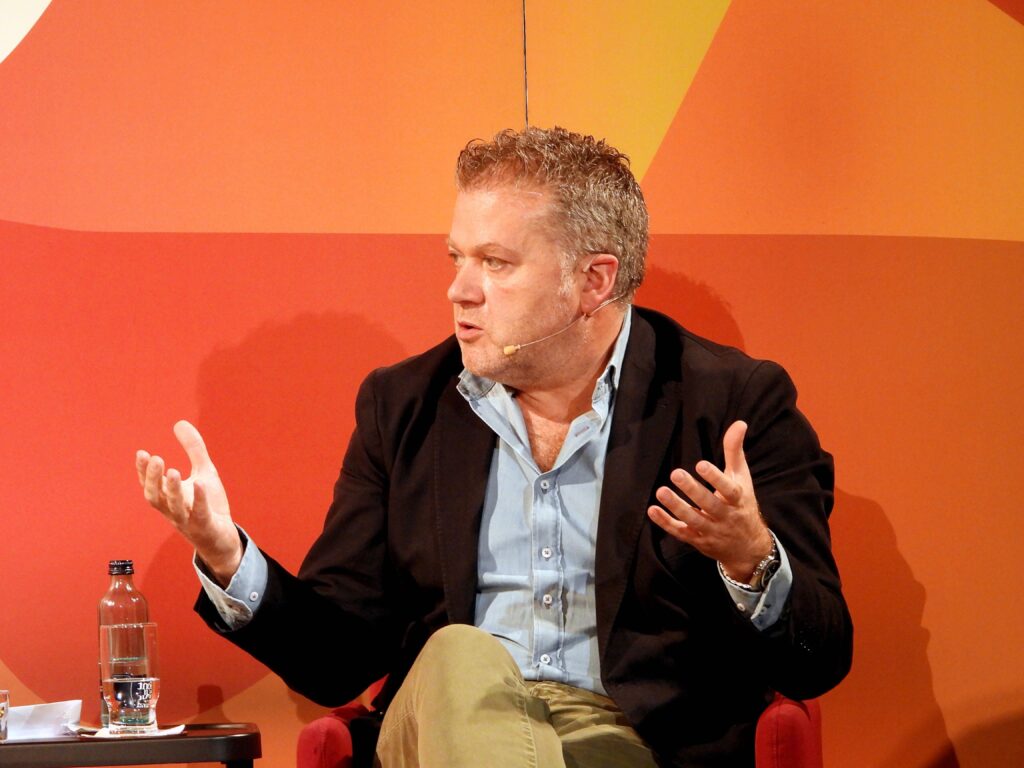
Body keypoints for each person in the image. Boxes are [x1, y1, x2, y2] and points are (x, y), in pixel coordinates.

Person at [137, 126, 852, 767]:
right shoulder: (403, 406)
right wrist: (227, 557)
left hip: (630, 741)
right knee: (459, 655)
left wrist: (750, 559)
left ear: (593, 281)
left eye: (496, 263)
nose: (459, 290)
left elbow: (819, 659)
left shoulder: (729, 405)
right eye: (457, 257)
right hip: (441, 723)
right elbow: (336, 660)